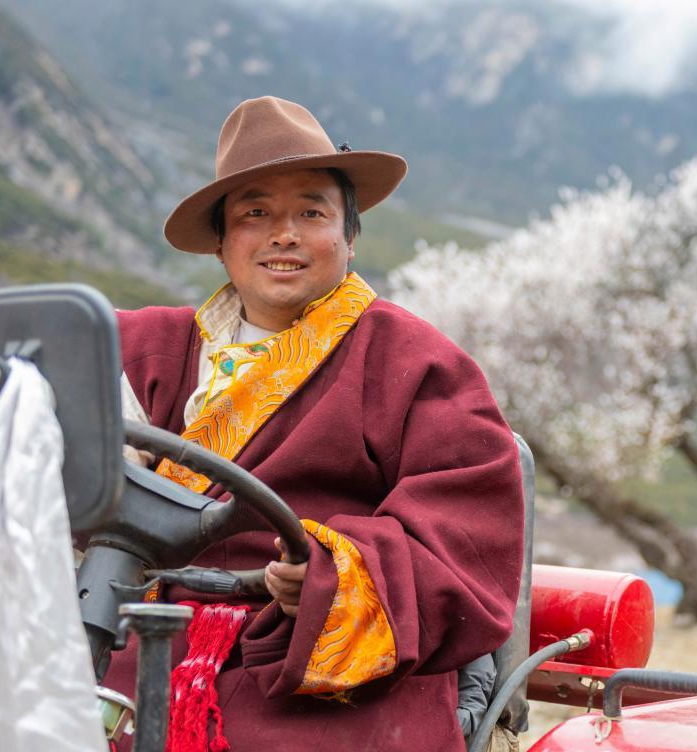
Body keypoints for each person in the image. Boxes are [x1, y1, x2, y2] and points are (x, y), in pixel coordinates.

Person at [104, 96, 524, 752]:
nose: (284, 234)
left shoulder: (416, 363)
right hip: (142, 644)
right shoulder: (141, 348)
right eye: (255, 214)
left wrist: (335, 577)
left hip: (319, 677)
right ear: (221, 242)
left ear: (349, 238)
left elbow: (467, 539)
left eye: (311, 212)